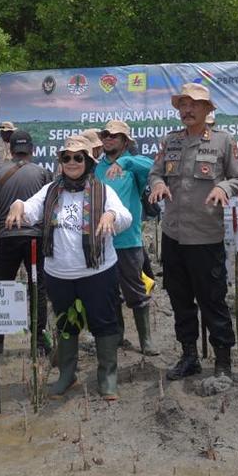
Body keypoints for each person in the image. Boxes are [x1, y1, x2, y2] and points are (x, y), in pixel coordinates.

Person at [7, 137, 131, 399]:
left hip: (97, 272)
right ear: (60, 162)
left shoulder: (104, 191)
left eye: (78, 157)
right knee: (65, 325)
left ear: (88, 161)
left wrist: (110, 216)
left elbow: (124, 217)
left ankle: (107, 376)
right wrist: (18, 205)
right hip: (59, 273)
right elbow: (29, 209)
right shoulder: (51, 190)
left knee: (104, 323)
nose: (72, 162)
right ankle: (67, 374)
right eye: (66, 158)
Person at [147, 82, 238, 380]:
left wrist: (222, 186)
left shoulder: (223, 141)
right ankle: (189, 355)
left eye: (194, 105)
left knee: (212, 299)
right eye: (183, 105)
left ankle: (223, 360)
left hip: (206, 236)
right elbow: (155, 172)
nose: (187, 110)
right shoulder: (170, 141)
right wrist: (159, 184)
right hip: (173, 235)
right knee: (179, 298)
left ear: (206, 109)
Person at [94, 119, 158, 356]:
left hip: (128, 242)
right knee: (108, 292)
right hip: (101, 241)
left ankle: (146, 340)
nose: (109, 138)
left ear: (125, 141)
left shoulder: (132, 168)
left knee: (136, 291)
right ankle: (118, 335)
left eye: (115, 135)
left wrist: (125, 160)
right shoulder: (95, 168)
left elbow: (154, 167)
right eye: (106, 135)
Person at [0, 129, 54, 356]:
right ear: (32, 149)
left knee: (2, 287)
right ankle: (38, 341)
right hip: (34, 239)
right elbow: (49, 209)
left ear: (10, 149)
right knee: (38, 288)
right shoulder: (43, 173)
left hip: (7, 238)